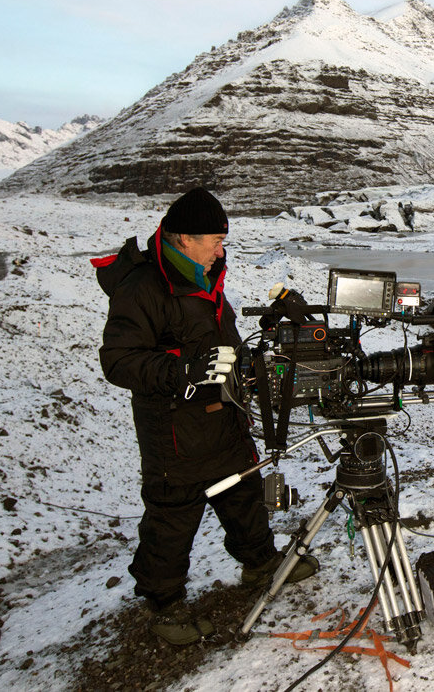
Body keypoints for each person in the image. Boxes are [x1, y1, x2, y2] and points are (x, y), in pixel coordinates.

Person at [95, 187, 318, 645]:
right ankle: (166, 606)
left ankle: (260, 564)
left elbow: (224, 343)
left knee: (244, 494)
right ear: (182, 239)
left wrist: (255, 361)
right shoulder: (144, 288)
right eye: (214, 239)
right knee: (173, 518)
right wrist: (183, 372)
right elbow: (118, 361)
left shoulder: (205, 278)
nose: (222, 249)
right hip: (174, 435)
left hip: (225, 421)